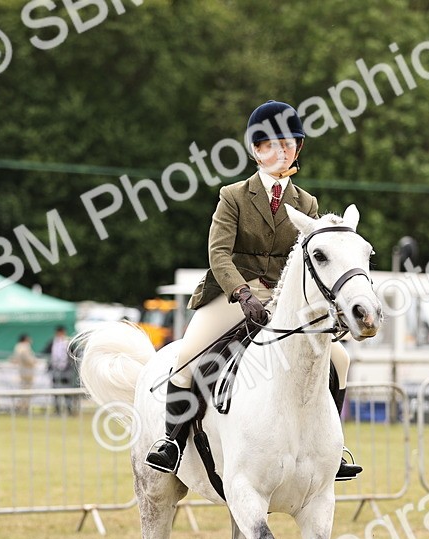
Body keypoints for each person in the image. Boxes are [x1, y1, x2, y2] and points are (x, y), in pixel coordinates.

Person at [144, 100, 361, 480]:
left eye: (288, 144)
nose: (281, 152)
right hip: (233, 295)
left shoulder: (306, 203)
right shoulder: (234, 196)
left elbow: (308, 260)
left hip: (283, 300)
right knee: (186, 359)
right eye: (271, 145)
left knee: (339, 360)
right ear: (256, 151)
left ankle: (333, 450)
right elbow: (218, 254)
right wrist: (242, 294)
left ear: (298, 149)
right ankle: (171, 443)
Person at [49, 325, 78, 415]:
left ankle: (69, 409)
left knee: (67, 391)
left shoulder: (68, 342)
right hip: (55, 369)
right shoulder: (52, 342)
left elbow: (74, 354)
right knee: (56, 391)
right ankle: (57, 410)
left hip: (66, 369)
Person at [10, 333, 37, 412]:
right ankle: (24, 407)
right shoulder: (24, 347)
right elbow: (28, 359)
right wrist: (33, 361)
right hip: (27, 371)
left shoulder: (17, 346)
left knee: (23, 390)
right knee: (26, 391)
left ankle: (22, 406)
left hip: (22, 371)